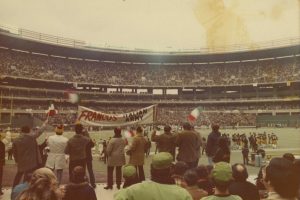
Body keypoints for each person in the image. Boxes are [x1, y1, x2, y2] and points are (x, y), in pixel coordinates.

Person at [114, 152, 193, 200]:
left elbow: (119, 197)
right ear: (171, 169)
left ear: (151, 168)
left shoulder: (135, 189)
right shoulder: (182, 194)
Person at [12, 119, 48, 188]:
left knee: (18, 176)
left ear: (21, 131)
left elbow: (15, 153)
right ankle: (25, 189)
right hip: (31, 162)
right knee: (28, 177)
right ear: (28, 131)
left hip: (21, 162)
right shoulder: (31, 138)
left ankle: (14, 189)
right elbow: (39, 131)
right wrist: (45, 123)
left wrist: (17, 161)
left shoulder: (15, 141)